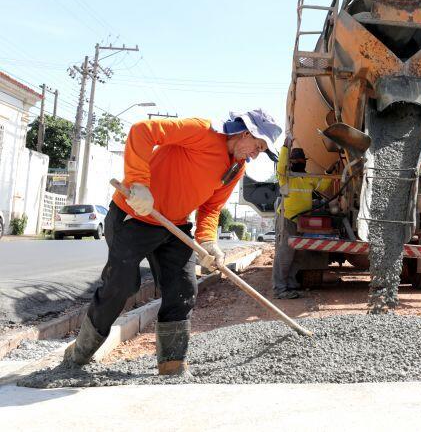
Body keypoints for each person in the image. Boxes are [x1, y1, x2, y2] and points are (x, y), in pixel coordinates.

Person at [62, 109, 280, 375]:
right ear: (245, 133)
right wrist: (140, 183)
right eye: (257, 146)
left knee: (183, 287)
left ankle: (172, 365)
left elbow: (211, 208)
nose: (255, 155)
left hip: (174, 226)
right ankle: (79, 354)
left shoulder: (236, 168)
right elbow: (142, 131)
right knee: (120, 286)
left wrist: (208, 242)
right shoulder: (202, 130)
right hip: (134, 215)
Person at [273, 134, 331, 298]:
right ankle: (280, 289)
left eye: (301, 161)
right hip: (288, 219)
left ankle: (290, 284)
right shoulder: (286, 178)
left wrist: (330, 172)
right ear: (290, 163)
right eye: (295, 161)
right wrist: (285, 147)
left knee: (298, 254)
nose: (299, 163)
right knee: (285, 255)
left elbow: (323, 184)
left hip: (303, 221)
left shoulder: (308, 178)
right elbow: (280, 167)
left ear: (305, 162)